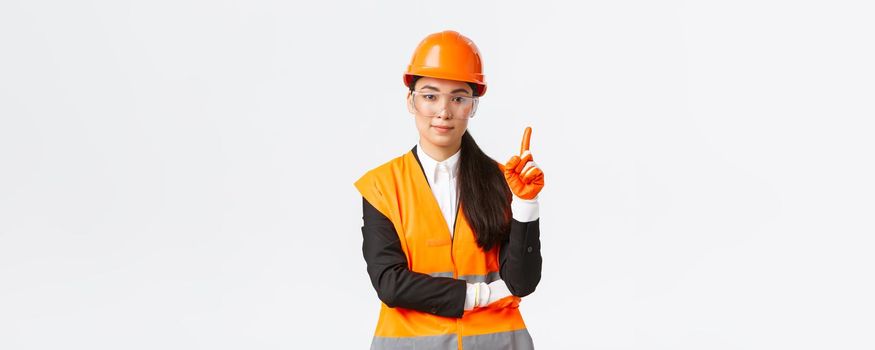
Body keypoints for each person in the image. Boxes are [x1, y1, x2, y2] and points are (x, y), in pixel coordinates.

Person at [353, 30, 545, 349]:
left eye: (458, 97)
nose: (444, 111)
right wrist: (482, 295)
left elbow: (522, 282)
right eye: (430, 96)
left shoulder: (503, 180)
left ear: (472, 106)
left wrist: (526, 204)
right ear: (410, 100)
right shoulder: (382, 186)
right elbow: (389, 283)